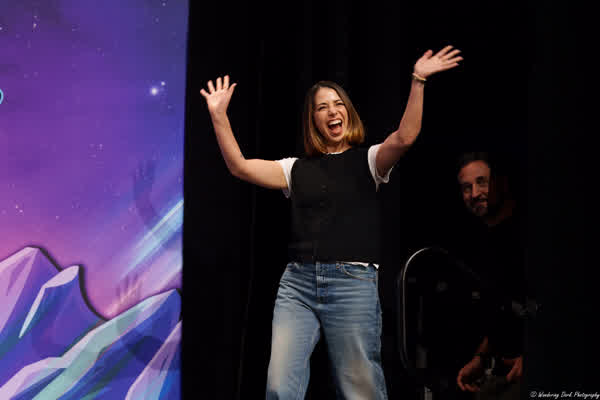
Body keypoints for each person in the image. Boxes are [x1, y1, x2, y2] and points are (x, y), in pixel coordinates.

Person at [200, 45, 463, 399]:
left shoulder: (368, 161)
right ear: (313, 120)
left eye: (338, 104)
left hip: (352, 284)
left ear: (348, 113)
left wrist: (418, 81)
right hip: (297, 285)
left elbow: (405, 137)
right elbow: (241, 167)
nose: (332, 111)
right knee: (279, 387)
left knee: (359, 390)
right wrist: (219, 115)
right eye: (322, 107)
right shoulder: (294, 168)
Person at [454, 152, 526, 399]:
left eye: (482, 182)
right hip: (498, 373)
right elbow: (503, 310)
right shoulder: (483, 243)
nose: (474, 193)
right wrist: (480, 357)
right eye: (466, 188)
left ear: (500, 183)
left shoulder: (528, 233)